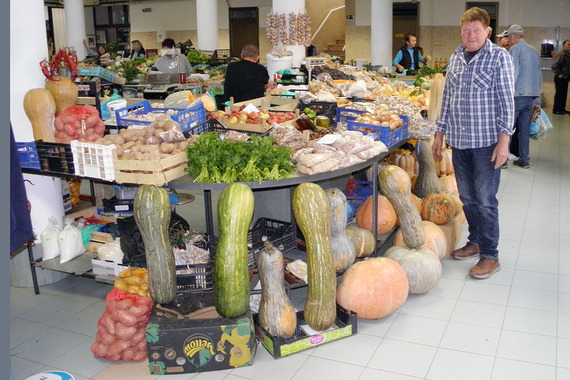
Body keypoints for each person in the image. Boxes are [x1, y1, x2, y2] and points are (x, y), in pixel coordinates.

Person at [432, 7, 515, 279]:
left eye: (476, 30)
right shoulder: (456, 58)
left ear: (487, 31)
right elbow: (447, 101)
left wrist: (504, 142)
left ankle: (491, 255)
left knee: (485, 200)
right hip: (459, 141)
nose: (470, 35)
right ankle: (476, 240)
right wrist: (439, 134)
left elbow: (507, 102)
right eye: (466, 30)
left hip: (487, 143)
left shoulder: (499, 57)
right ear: (460, 31)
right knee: (467, 198)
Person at [507, 24, 542, 169]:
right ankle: (524, 159)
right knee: (524, 129)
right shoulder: (533, 50)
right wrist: (537, 98)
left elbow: (513, 72)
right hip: (531, 95)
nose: (508, 40)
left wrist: (507, 92)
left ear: (513, 36)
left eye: (509, 37)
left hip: (517, 95)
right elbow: (538, 74)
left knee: (507, 128)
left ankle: (502, 160)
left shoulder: (515, 49)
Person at [552, 39, 570, 115]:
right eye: (568, 44)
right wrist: (559, 74)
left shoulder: (567, 54)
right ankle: (556, 109)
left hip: (565, 77)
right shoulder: (562, 54)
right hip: (560, 78)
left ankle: (562, 108)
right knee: (559, 94)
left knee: (563, 94)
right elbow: (554, 66)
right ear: (564, 45)